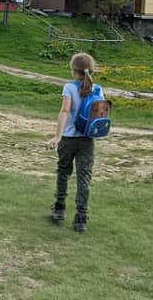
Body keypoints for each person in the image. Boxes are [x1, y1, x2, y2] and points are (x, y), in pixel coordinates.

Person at [46, 53, 99, 233]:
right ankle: (81, 218)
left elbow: (65, 111)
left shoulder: (69, 87)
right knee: (84, 178)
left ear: (73, 70)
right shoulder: (97, 89)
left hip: (69, 138)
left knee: (63, 173)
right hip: (87, 139)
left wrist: (57, 136)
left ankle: (59, 209)